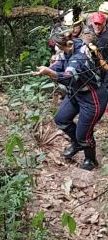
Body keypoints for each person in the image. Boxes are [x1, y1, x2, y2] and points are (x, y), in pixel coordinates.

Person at [32, 31, 108, 171]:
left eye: (59, 47)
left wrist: (49, 73)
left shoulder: (79, 56)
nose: (57, 50)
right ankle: (77, 143)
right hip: (76, 93)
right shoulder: (69, 48)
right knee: (61, 119)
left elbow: (68, 77)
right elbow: (61, 64)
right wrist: (49, 69)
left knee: (83, 134)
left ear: (68, 44)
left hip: (92, 97)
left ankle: (91, 159)